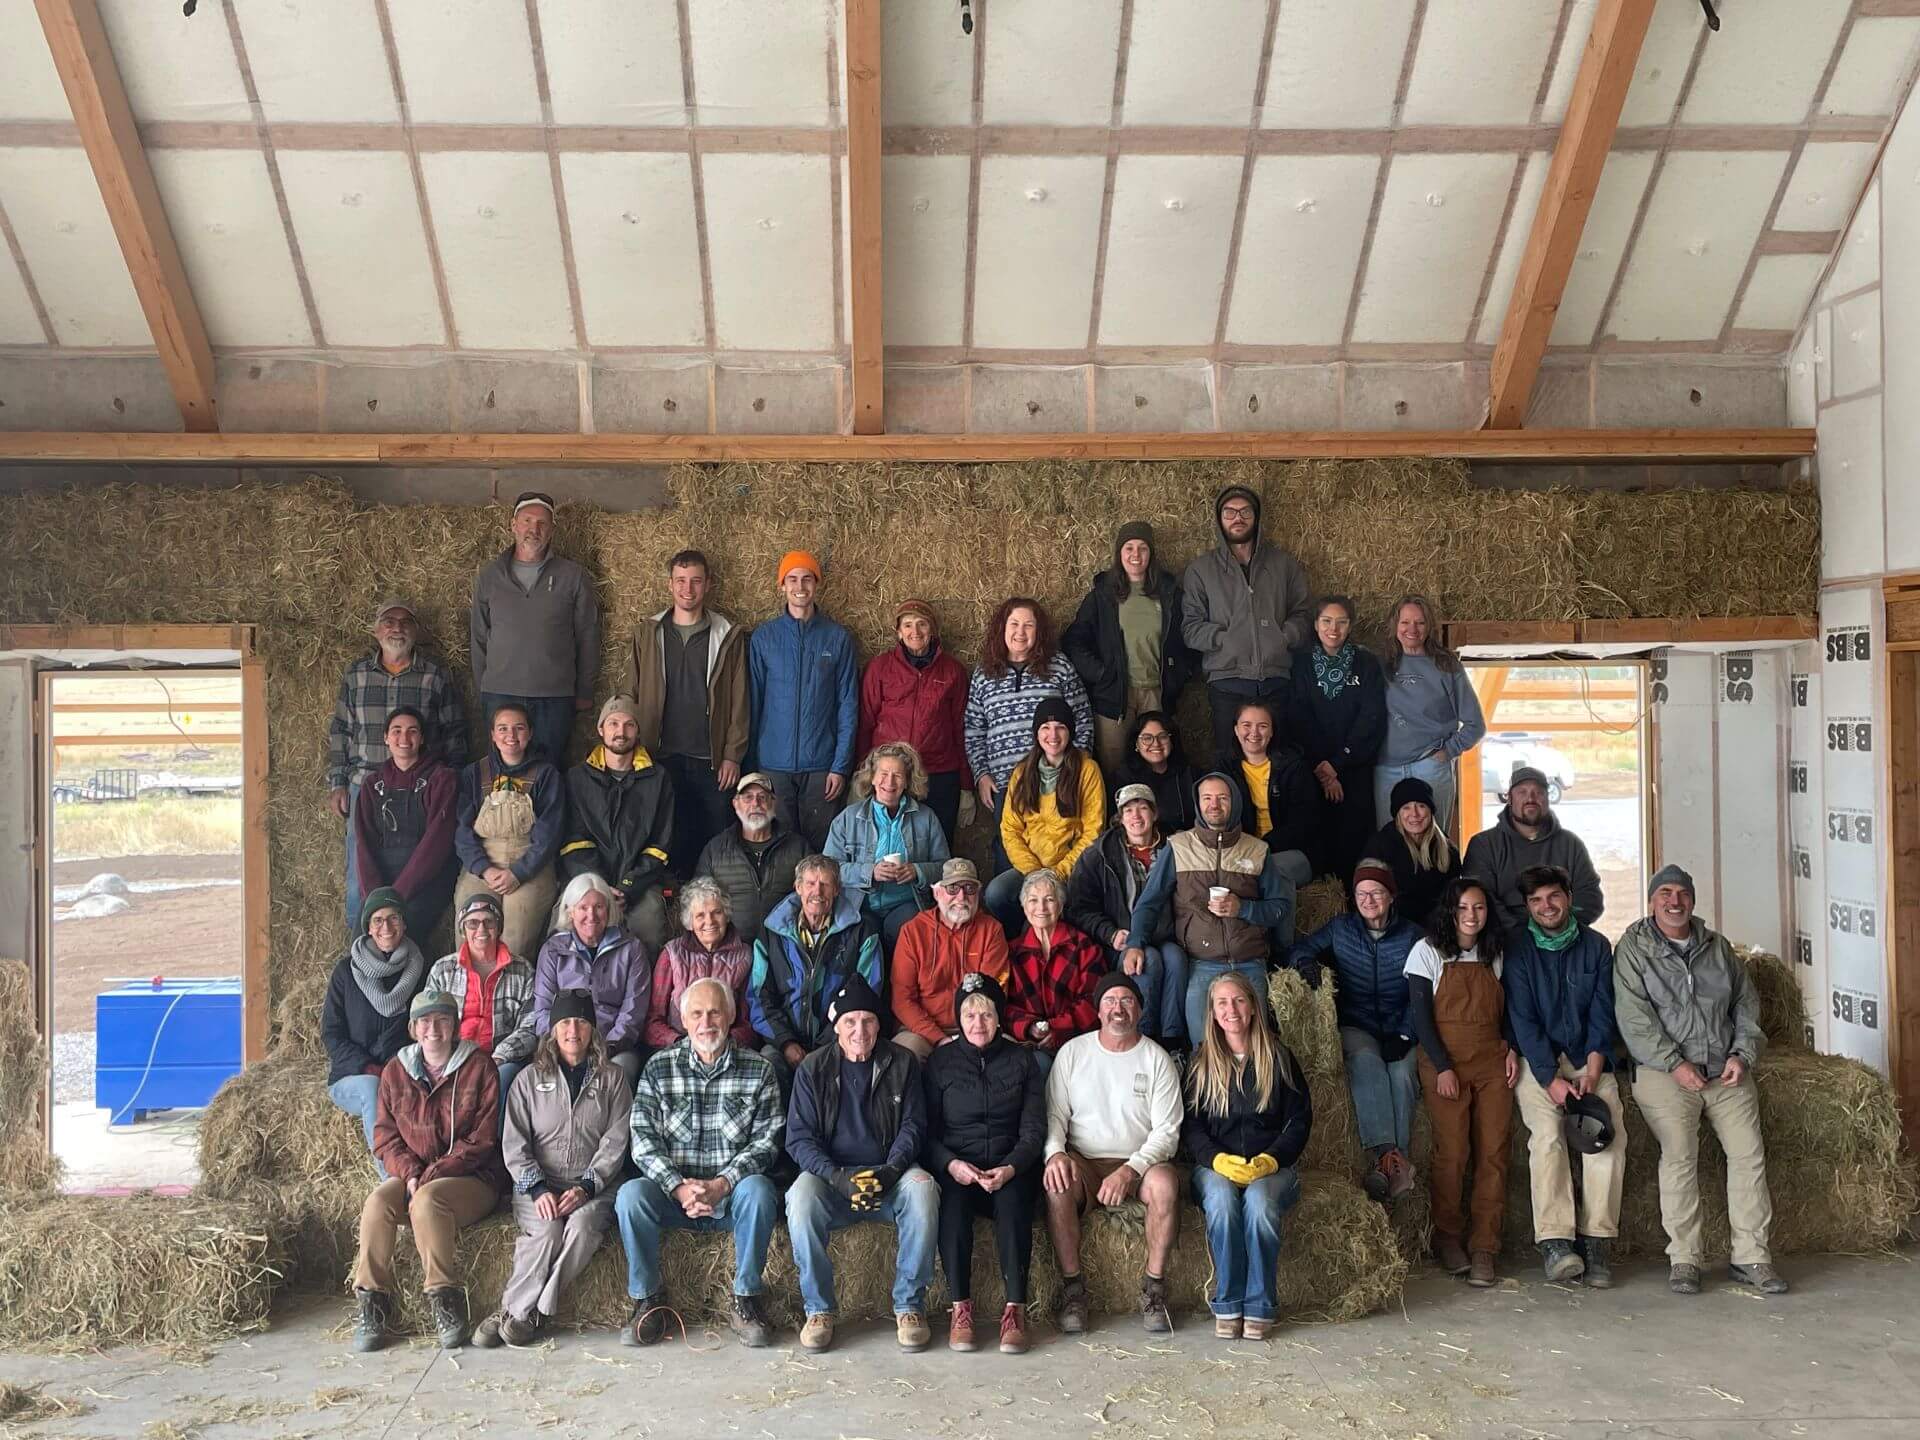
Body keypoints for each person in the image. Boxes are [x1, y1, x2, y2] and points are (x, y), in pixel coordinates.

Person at [1614, 865, 1785, 1296]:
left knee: (1748, 1155)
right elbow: (1634, 1019)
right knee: (1679, 1156)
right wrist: (1674, 1063)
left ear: (1693, 899)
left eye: (1682, 894)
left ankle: (1752, 1257)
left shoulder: (1717, 947)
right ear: (1652, 901)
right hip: (1663, 1072)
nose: (1675, 902)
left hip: (1724, 1069)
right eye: (1665, 894)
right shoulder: (1634, 949)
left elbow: (1746, 1005)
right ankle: (1685, 1258)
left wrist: (1742, 1055)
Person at [619, 977, 785, 1347]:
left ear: (730, 1016)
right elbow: (643, 1140)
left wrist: (721, 1184)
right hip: (675, 1198)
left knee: (760, 1189)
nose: (706, 1021)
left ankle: (746, 1299)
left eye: (714, 1012)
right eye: (697, 1013)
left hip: (730, 1198)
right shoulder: (659, 1068)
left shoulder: (759, 1070)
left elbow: (767, 1142)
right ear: (683, 1019)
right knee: (631, 1196)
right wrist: (679, 1187)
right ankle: (648, 1301)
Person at [784, 975, 940, 1354]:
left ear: (879, 1025)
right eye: (850, 1022)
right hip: (834, 1179)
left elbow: (914, 1126)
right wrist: (836, 1178)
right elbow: (799, 1139)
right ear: (836, 1026)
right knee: (800, 1196)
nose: (860, 1030)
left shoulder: (901, 1062)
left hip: (889, 1173)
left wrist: (891, 1169)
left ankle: (910, 1306)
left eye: (868, 1021)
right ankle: (819, 1310)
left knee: (924, 1189)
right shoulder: (813, 1069)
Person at [350, 989, 506, 1353]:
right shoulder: (395, 1072)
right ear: (413, 1029)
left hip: (472, 1179)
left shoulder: (480, 1067)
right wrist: (409, 1173)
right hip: (414, 1177)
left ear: (455, 1027)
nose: (433, 1029)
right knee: (378, 1202)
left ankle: (444, 1299)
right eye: (425, 1022)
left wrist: (430, 1176)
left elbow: (483, 1140)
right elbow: (385, 1138)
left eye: (442, 1020)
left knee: (427, 1202)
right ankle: (372, 1303)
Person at [476, 988, 633, 1348]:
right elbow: (514, 1143)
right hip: (541, 1185)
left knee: (581, 1226)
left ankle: (523, 1310)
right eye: (564, 1022)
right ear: (552, 1030)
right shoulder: (528, 1079)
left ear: (593, 1029)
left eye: (580, 1021)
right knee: (547, 1233)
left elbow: (616, 1141)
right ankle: (524, 1312)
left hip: (594, 1186)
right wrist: (537, 1189)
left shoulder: (613, 1079)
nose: (572, 1030)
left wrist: (587, 1187)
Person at [1042, 973, 1184, 1336]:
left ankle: (1154, 1288)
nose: (1117, 1008)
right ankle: (1073, 1290)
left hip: (1140, 1162)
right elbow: (1054, 1116)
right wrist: (1056, 1154)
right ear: (1097, 1009)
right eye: (1109, 1000)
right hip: (1084, 1161)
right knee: (1056, 1184)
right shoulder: (1073, 1052)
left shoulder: (1156, 1060)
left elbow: (1167, 1131)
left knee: (1166, 1184)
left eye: (1126, 1001)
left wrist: (1130, 1170)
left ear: (1139, 1009)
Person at [1503, 866, 1625, 1288]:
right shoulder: (1518, 951)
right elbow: (1523, 1018)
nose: (1546, 907)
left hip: (1588, 1060)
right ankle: (1556, 1241)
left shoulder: (1595, 946)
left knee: (1607, 1136)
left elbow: (1603, 1010)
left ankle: (1597, 1239)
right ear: (1528, 907)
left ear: (1569, 897)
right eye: (1536, 901)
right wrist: (1549, 1078)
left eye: (1553, 897)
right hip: (1541, 1063)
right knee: (1548, 1137)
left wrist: (1593, 1067)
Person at [1184, 971, 1312, 1341]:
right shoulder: (1200, 1062)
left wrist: (1271, 1159)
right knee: (1222, 1200)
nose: (1231, 1009)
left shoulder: (1278, 1057)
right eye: (1222, 1002)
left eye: (1239, 1000)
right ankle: (1227, 1303)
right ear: (1212, 1012)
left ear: (1254, 1008)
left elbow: (1300, 1121)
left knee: (1258, 1202)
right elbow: (1191, 1127)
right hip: (1216, 1167)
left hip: (1271, 1167)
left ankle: (1259, 1305)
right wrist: (1216, 1160)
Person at [924, 971, 1045, 1355]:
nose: (979, 1024)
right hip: (961, 1168)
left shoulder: (1023, 1062)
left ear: (999, 1018)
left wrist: (1011, 1167)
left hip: (1009, 1167)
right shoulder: (940, 1063)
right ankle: (961, 1309)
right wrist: (951, 1165)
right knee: (953, 1211)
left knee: (1013, 1207)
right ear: (959, 1019)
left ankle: (1015, 1311)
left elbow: (1033, 1130)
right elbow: (925, 1133)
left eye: (987, 1015)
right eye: (970, 1016)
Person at [1126, 774, 1299, 1043]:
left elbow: (1280, 908)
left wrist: (1243, 908)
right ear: (1197, 803)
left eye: (1222, 798)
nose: (1214, 804)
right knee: (1203, 1049)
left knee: (1255, 1049)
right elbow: (1149, 902)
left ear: (1235, 802)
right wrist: (1135, 943)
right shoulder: (1179, 846)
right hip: (1200, 964)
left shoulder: (1257, 850)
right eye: (1207, 798)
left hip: (1249, 962)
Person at [329, 599, 469, 931]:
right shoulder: (357, 675)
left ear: (416, 632)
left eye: (406, 622)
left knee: (421, 878)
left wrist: (449, 783)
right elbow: (341, 730)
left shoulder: (434, 675)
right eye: (389, 621)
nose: (397, 627)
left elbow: (455, 731)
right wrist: (338, 782)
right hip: (366, 787)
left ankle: (417, 969)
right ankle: (362, 962)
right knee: (359, 885)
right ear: (376, 631)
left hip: (420, 790)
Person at [1406, 876, 1518, 1288]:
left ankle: (1485, 1245)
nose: (1471, 916)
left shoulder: (1496, 952)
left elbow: (1507, 1012)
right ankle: (1449, 1238)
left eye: (1479, 908)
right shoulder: (1427, 952)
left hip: (1491, 1061)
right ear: (1450, 912)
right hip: (1445, 1062)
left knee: (1493, 1152)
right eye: (1463, 908)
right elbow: (1421, 1018)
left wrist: (1510, 1047)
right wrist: (1442, 1067)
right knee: (1452, 1154)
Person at [1287, 862, 1422, 1204]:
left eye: (1377, 893)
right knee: (1366, 1061)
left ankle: (1397, 1158)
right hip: (1356, 1021)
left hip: (1398, 1024)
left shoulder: (1414, 936)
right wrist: (1307, 965)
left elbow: (1427, 990)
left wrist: (1406, 1033)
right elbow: (1300, 949)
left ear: (1391, 897)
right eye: (1362, 894)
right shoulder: (1341, 928)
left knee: (1404, 1071)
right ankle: (1388, 1156)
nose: (1369, 900)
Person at [626, 548, 750, 873]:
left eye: (695, 581)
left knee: (714, 832)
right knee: (668, 833)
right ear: (670, 584)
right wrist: (634, 751)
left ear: (708, 584)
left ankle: (712, 903)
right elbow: (632, 692)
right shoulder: (649, 633)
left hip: (709, 758)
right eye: (680, 581)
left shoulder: (726, 636)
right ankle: (672, 903)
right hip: (660, 753)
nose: (687, 589)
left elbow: (739, 699)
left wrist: (732, 755)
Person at [1181, 484, 1313, 763]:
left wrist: (1283, 636)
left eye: (1244, 512)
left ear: (1257, 517)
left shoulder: (1283, 565)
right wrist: (1225, 639)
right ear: (1219, 520)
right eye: (1229, 512)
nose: (1237, 518)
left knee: (1281, 761)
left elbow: (1303, 614)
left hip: (1276, 681)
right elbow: (1190, 629)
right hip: (1228, 683)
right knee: (1228, 762)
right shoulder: (1201, 570)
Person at [470, 491, 601, 767]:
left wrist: (584, 691)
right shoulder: (490, 576)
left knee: (549, 771)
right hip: (500, 694)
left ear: (552, 530)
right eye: (527, 520)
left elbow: (588, 635)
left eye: (542, 523)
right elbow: (479, 635)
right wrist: (484, 685)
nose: (534, 529)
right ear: (513, 525)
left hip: (554, 697)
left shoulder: (572, 576)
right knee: (502, 773)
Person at [963, 597, 1093, 869]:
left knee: (1057, 848)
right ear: (1002, 628)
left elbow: (1082, 716)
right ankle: (1010, 911)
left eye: (1028, 625)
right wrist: (981, 774)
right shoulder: (984, 673)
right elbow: (974, 728)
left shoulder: (1059, 667)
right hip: (1004, 781)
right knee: (1008, 851)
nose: (1020, 632)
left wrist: (1076, 766)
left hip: (1055, 779)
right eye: (1014, 624)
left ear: (1039, 631)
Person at [1062, 521, 1196, 780]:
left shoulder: (1170, 596)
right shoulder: (1103, 596)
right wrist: (1101, 673)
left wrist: (1180, 674)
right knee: (1113, 765)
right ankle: (1116, 818)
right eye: (1129, 548)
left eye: (1143, 548)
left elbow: (1191, 639)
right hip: (1114, 696)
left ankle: (1155, 816)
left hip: (1157, 693)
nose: (1136, 555)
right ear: (1119, 554)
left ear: (1151, 554)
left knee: (1158, 762)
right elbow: (1074, 641)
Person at [748, 550, 858, 849]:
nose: (800, 586)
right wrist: (753, 767)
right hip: (774, 766)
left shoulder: (836, 638)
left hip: (821, 767)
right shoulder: (764, 638)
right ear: (782, 585)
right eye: (792, 579)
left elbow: (847, 705)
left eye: (807, 578)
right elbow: (753, 704)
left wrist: (840, 765)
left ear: (816, 584)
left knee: (822, 848)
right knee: (778, 847)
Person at [1067, 783, 1188, 1048]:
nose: (1136, 816)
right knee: (1149, 961)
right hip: (1122, 941)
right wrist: (1109, 933)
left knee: (1176, 959)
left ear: (1155, 814)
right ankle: (1143, 1040)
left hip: (1167, 936)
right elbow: (1077, 908)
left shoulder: (1177, 847)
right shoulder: (1099, 854)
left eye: (1143, 808)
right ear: (1120, 819)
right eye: (1128, 810)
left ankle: (1172, 1043)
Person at [749, 855, 884, 1084]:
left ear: (837, 889)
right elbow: (758, 997)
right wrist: (787, 1043)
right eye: (810, 883)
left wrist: (826, 1046)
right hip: (784, 1042)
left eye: (825, 884)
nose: (817, 892)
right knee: (768, 1067)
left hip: (840, 1040)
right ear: (798, 887)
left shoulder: (862, 931)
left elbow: (867, 995)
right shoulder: (772, 932)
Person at [558, 694, 675, 950]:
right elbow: (573, 841)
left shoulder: (657, 778)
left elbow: (660, 843)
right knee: (562, 931)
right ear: (600, 729)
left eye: (629, 724)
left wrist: (628, 887)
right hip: (588, 878)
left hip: (639, 884)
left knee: (649, 927)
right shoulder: (578, 778)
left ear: (638, 731)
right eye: (613, 723)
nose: (620, 732)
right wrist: (599, 887)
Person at [1286, 595, 1386, 884]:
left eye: (1341, 622)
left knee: (1354, 842)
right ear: (1316, 625)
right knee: (1316, 838)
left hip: (1354, 770)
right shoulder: (1300, 663)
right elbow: (1298, 717)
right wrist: (1322, 767)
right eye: (1327, 621)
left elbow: (1372, 717)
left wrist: (1338, 764)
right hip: (1312, 770)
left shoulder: (1366, 663)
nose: (1334, 629)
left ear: (1350, 626)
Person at [324, 888, 427, 1165]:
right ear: (368, 928)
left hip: (402, 1071)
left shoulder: (420, 971)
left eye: (394, 918)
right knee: (373, 1088)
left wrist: (395, 1068)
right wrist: (370, 1067)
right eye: (378, 920)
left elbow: (424, 1032)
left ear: (404, 924)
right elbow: (332, 1034)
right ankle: (391, 1179)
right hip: (353, 1076)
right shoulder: (346, 972)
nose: (386, 927)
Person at [453, 703, 564, 961]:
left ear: (530, 733)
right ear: (492, 734)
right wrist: (483, 868)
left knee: (515, 944)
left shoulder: (546, 775)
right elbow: (461, 830)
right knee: (470, 940)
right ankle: (468, 999)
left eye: (519, 728)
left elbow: (550, 834)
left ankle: (513, 998)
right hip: (482, 864)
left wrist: (519, 872)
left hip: (529, 864)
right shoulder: (474, 773)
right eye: (502, 728)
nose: (510, 735)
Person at [984, 699, 1105, 933]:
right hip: (1030, 867)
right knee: (995, 894)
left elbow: (1093, 831)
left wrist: (1057, 872)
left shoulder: (1087, 769)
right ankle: (1021, 938)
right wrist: (1033, 873)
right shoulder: (1022, 772)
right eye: (1045, 728)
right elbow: (1010, 828)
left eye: (1060, 727)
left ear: (1070, 731)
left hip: (1070, 869)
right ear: (1036, 733)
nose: (1053, 735)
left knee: (1063, 914)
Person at [859, 599, 971, 843]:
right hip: (892, 773)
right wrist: (860, 778)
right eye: (908, 625)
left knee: (937, 845)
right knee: (889, 845)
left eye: (922, 624)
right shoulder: (880, 669)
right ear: (898, 632)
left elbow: (961, 729)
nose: (915, 632)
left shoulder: (953, 671)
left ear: (932, 630)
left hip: (939, 774)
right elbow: (866, 723)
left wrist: (966, 786)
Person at [824, 741, 951, 954]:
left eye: (898, 775)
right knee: (861, 938)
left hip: (906, 903)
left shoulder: (926, 818)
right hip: (859, 904)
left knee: (910, 932)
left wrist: (917, 871)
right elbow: (829, 869)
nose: (889, 782)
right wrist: (870, 871)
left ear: (907, 781)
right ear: (872, 777)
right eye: (883, 774)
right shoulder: (848, 818)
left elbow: (946, 867)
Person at [347, 705, 459, 944]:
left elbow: (436, 844)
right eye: (396, 731)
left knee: (401, 933)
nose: (404, 738)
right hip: (383, 877)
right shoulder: (371, 785)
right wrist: (375, 897)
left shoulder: (440, 779)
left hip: (426, 878)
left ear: (422, 738)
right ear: (386, 737)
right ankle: (365, 982)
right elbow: (364, 844)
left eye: (412, 731)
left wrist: (397, 897)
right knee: (362, 938)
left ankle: (408, 982)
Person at [1374, 595, 1483, 832]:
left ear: (1429, 626)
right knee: (1389, 842)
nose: (1412, 629)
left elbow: (1476, 724)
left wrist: (1447, 753)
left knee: (1434, 843)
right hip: (1385, 767)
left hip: (1430, 764)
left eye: (1420, 623)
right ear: (1395, 625)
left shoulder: (1446, 665)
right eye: (1405, 622)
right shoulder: (1379, 664)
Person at [532, 873, 651, 1085]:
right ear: (570, 912)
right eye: (583, 907)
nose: (592, 915)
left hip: (614, 1047)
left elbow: (634, 1011)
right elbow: (542, 1008)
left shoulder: (631, 949)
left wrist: (606, 1048)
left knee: (620, 1073)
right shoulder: (553, 950)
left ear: (609, 909)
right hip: (563, 1044)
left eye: (599, 907)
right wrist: (563, 1047)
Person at [427, 893, 538, 1112]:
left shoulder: (522, 970)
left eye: (489, 922)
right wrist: (449, 1055)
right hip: (453, 1056)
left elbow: (531, 1026)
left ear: (499, 927)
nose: (481, 930)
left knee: (500, 1081)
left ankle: (492, 1144)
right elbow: (427, 1021)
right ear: (462, 930)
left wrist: (500, 1056)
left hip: (502, 1059)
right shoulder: (443, 969)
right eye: (472, 924)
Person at [1461, 766, 1604, 935]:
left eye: (1538, 792)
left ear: (1547, 798)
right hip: (1505, 940)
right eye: (1522, 792)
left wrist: (1557, 929)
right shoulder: (1484, 845)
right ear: (1509, 798)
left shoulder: (1570, 844)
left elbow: (1590, 898)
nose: (1531, 798)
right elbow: (1481, 900)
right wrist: (1526, 937)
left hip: (1561, 936)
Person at [890, 858, 1009, 1060]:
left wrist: (967, 1037)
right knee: (903, 1055)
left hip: (976, 1028)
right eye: (952, 888)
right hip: (921, 1032)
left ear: (978, 895)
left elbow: (992, 994)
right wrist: (939, 1038)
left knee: (1010, 1054)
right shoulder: (913, 931)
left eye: (969, 888)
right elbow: (902, 1000)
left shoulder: (992, 930)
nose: (961, 896)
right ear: (937, 893)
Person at [1005, 869, 1106, 1074]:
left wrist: (1057, 1028)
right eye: (1033, 900)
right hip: (1030, 1044)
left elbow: (1094, 1000)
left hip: (1077, 1039)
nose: (1041, 908)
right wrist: (1030, 1027)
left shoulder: (1083, 946)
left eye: (1049, 899)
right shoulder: (1012, 951)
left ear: (1060, 906)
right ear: (1024, 908)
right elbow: (1005, 1005)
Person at [643, 877, 757, 1051]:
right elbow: (653, 1021)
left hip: (729, 1049)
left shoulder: (745, 955)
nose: (709, 921)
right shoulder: (672, 954)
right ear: (690, 922)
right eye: (700, 915)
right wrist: (681, 1043)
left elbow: (748, 1022)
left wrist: (721, 1044)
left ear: (726, 915)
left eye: (716, 912)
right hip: (677, 1048)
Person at [695, 773, 807, 945]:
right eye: (748, 797)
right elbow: (699, 901)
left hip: (785, 949)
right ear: (735, 804)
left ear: (774, 803)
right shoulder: (715, 849)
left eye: (762, 797)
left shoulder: (798, 847)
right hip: (731, 950)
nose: (756, 804)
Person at [1225, 700, 1316, 888]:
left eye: (1263, 726)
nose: (1254, 733)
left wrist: (1261, 847)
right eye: (1246, 725)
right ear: (1235, 729)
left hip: (1290, 852)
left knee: (1258, 876)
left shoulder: (1294, 767)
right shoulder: (1225, 768)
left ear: (1272, 731)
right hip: (1242, 852)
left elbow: (1303, 824)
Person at [1363, 777, 1458, 930]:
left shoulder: (1447, 849)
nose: (1414, 814)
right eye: (1406, 807)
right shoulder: (1380, 847)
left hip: (1437, 930)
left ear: (1430, 810)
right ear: (1397, 813)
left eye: (1421, 806)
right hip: (1395, 929)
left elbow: (1452, 898)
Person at [1121, 709, 1198, 833]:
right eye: (1147, 738)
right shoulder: (1123, 779)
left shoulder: (1191, 774)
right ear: (1136, 743)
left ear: (1172, 741)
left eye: (1162, 737)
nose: (1156, 743)